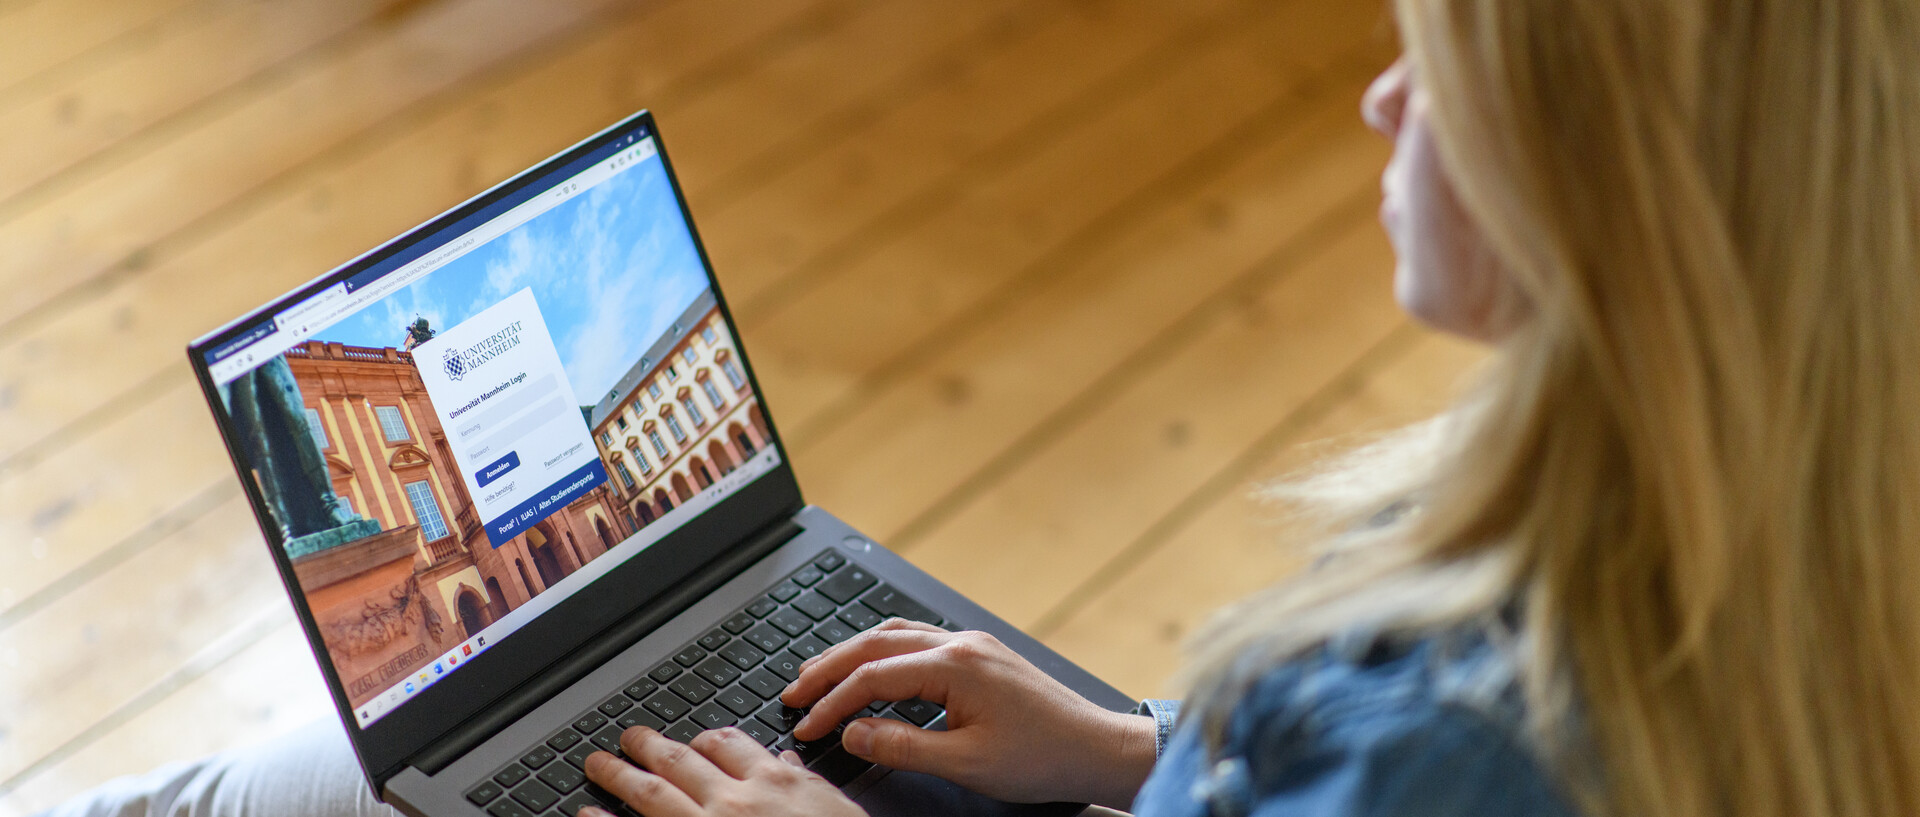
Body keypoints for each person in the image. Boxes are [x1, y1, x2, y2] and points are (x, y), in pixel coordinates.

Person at [41, 0, 1920, 814]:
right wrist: (1131, 747)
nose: (1380, 108)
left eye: (1431, 69)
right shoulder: (1784, 554)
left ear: (1607, 191)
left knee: (256, 789)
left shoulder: (1454, 732)